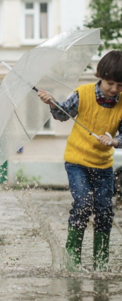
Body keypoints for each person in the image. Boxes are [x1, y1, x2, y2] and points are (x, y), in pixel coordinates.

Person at [38, 50, 122, 271]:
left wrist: (114, 141)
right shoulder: (82, 94)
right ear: (100, 76)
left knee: (104, 211)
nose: (114, 89)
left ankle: (101, 265)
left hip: (103, 165)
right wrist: (51, 103)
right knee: (83, 205)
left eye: (120, 85)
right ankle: (72, 262)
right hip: (77, 162)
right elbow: (62, 114)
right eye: (110, 83)